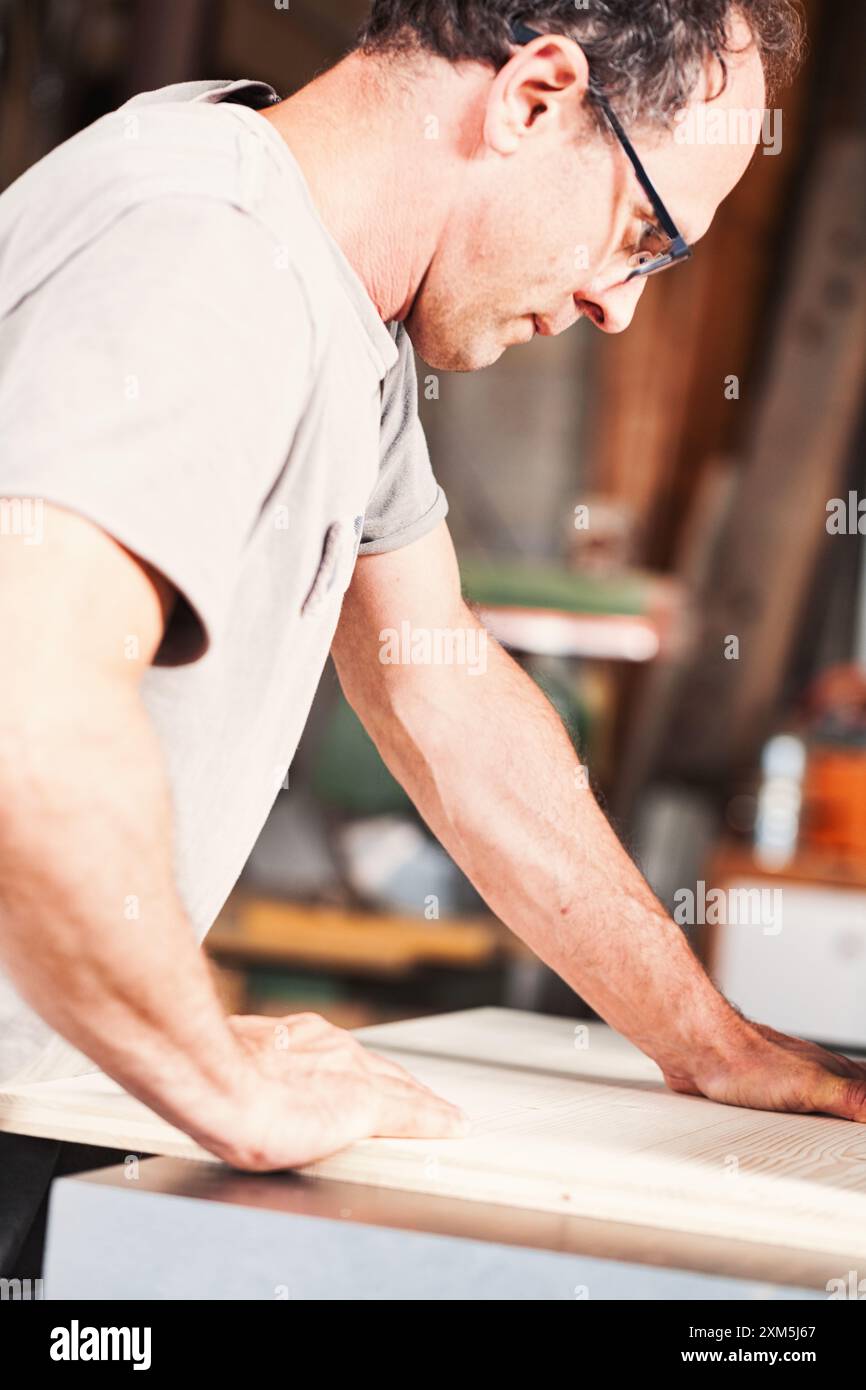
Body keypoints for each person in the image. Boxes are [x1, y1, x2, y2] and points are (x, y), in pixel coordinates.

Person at [4, 1, 858, 1284]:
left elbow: (437, 687)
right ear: (533, 97)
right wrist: (218, 1074)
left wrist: (707, 1037)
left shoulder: (338, 308)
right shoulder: (205, 252)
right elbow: (29, 691)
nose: (617, 306)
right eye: (642, 237)